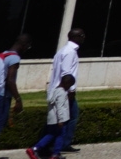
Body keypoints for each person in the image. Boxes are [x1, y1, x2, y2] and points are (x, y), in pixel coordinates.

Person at [32, 30, 83, 159]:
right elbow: (66, 73)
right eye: (81, 35)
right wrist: (70, 90)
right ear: (75, 37)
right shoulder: (69, 52)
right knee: (66, 119)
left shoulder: (63, 50)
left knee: (57, 120)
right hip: (63, 91)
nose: (84, 38)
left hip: (59, 90)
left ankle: (50, 147)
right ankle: (53, 147)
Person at [0, 34, 28, 159]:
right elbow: (10, 80)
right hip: (3, 95)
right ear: (23, 45)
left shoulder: (3, 54)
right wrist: (18, 99)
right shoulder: (15, 59)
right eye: (28, 45)